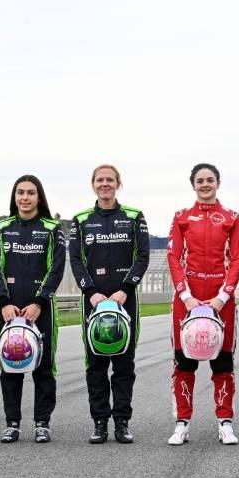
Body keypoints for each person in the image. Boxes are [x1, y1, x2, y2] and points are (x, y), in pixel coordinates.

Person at [68, 164, 150, 444]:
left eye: (110, 180)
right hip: (94, 299)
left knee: (125, 364)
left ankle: (122, 422)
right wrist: (90, 292)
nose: (105, 184)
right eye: (100, 180)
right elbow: (76, 261)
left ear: (118, 184)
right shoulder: (80, 220)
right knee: (96, 364)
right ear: (93, 185)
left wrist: (127, 288)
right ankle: (100, 422)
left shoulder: (134, 216)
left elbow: (143, 256)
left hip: (125, 300)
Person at [166, 163, 239, 446]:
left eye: (209, 180)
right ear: (193, 185)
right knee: (184, 362)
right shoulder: (181, 217)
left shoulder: (232, 217)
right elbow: (174, 258)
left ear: (218, 183)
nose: (205, 184)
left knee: (222, 363)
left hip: (221, 300)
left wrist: (222, 296)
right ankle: (182, 423)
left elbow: (237, 259)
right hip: (186, 300)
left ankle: (225, 422)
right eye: (200, 180)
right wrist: (186, 296)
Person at [0, 175, 66, 443]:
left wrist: (39, 302)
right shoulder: (2, 228)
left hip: (40, 309)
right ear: (14, 196)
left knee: (44, 366)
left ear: (39, 197)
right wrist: (3, 303)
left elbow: (56, 269)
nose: (24, 197)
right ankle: (12, 423)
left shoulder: (52, 228)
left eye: (30, 193)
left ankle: (42, 422)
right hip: (9, 308)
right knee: (10, 365)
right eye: (20, 192)